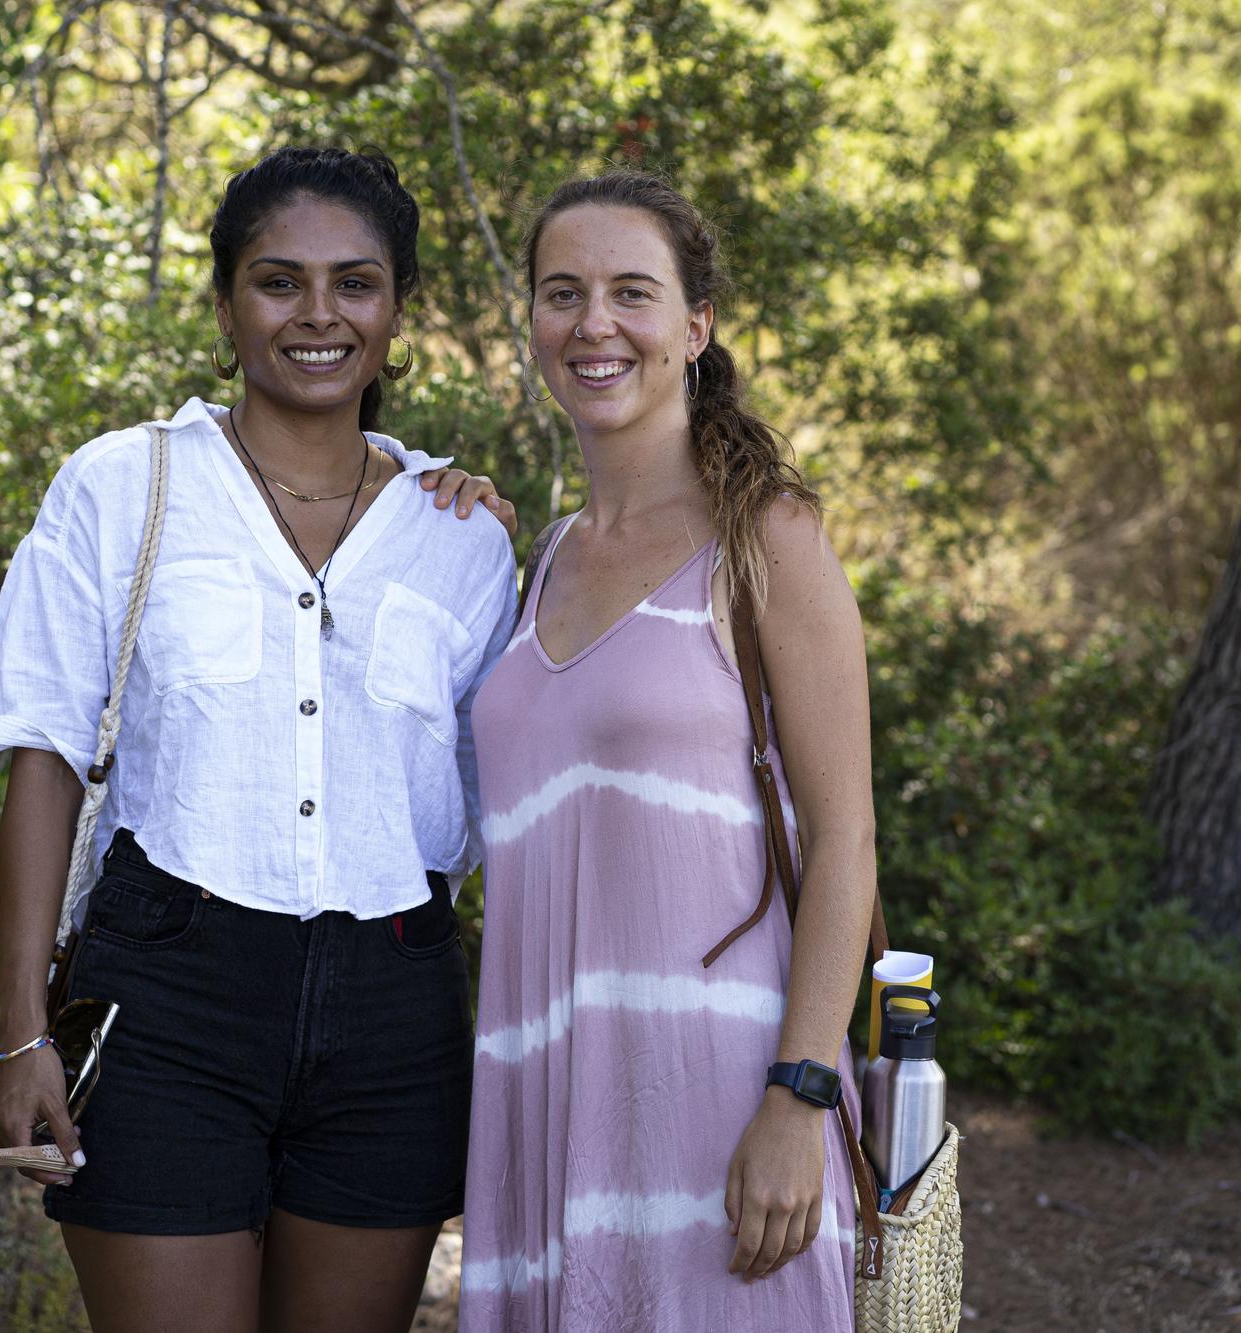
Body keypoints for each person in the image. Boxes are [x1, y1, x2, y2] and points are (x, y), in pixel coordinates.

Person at [0, 146, 519, 1333]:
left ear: (396, 311)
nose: (317, 314)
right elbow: (44, 755)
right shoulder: (120, 485)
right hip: (168, 992)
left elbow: (506, 799)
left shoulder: (463, 536)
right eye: (278, 281)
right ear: (224, 305)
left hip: (394, 998)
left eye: (354, 283)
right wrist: (22, 1030)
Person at [459, 171, 878, 1331]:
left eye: (629, 293)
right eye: (561, 293)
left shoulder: (767, 540)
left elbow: (844, 839)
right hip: (548, 1102)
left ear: (692, 327)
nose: (592, 324)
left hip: (720, 1102)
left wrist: (798, 1098)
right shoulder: (536, 557)